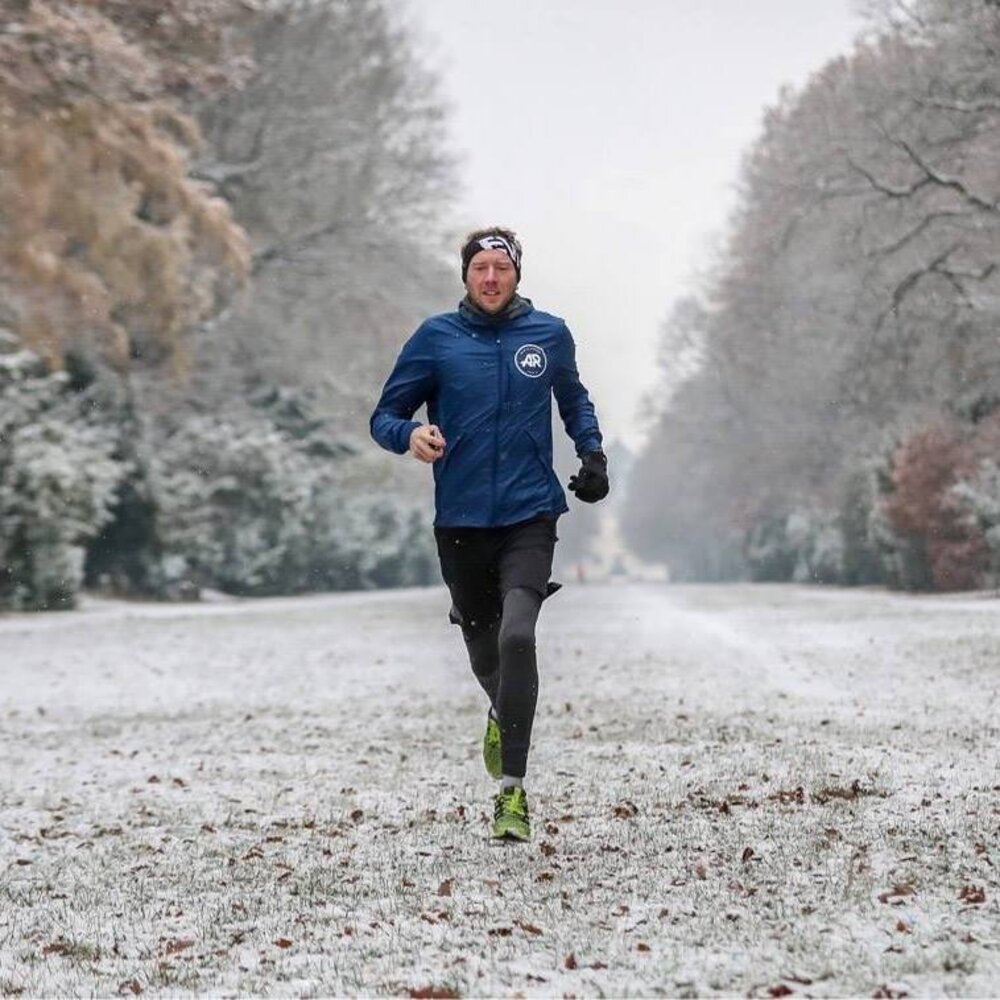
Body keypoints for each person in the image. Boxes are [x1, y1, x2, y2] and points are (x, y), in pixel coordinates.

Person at [370, 227, 608, 841]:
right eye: (481, 267)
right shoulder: (436, 339)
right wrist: (410, 436)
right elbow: (385, 415)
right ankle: (503, 711)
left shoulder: (548, 334)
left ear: (517, 275)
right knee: (486, 654)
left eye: (502, 267)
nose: (492, 278)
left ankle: (513, 794)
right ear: (467, 276)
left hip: (531, 515)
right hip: (461, 523)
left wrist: (593, 455)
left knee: (519, 636)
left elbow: (574, 401)